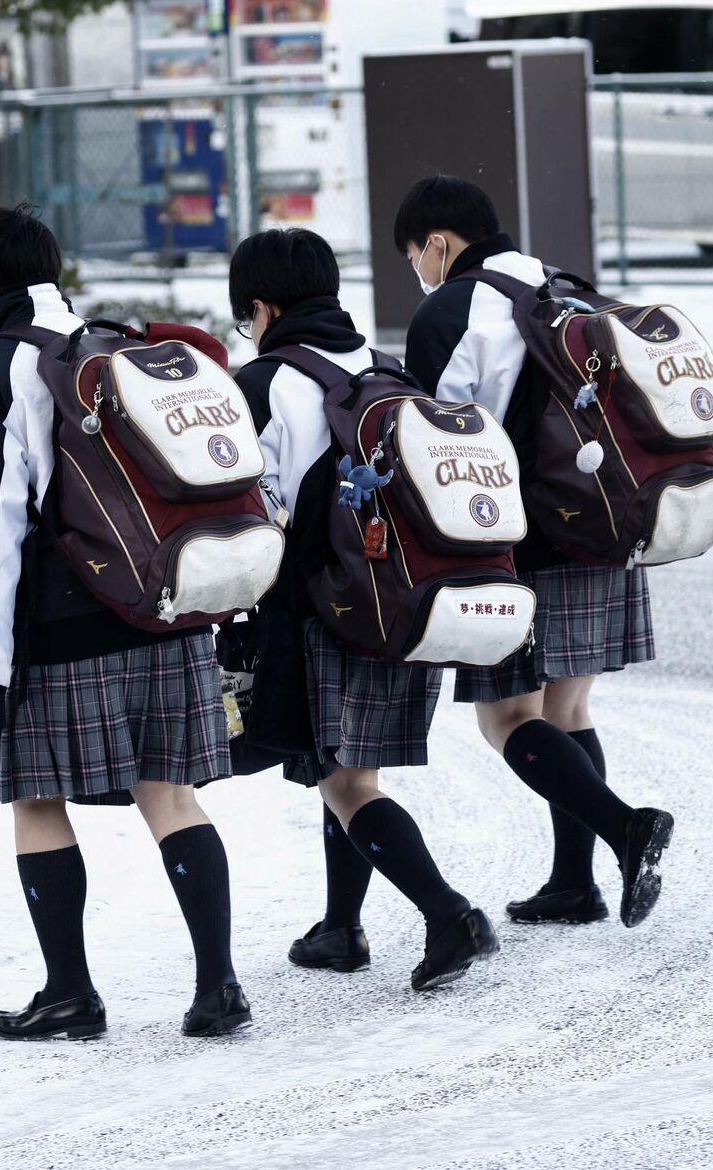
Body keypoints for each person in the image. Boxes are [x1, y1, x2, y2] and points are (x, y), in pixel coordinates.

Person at [0, 206, 248, 1040]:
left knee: (35, 798)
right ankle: (219, 984)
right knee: (171, 794)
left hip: (65, 628)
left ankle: (70, 991)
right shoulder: (114, 348)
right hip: (167, 604)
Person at [398, 175, 675, 931]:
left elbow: (435, 436)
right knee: (570, 705)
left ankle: (625, 829)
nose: (417, 274)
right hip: (608, 520)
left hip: (525, 539)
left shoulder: (452, 310)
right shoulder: (567, 290)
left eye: (414, 258)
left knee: (507, 716)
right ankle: (571, 882)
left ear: (438, 244)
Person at [230, 227, 501, 990]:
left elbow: (258, 510)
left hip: (328, 611)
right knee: (349, 771)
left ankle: (449, 913)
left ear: (260, 306)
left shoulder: (264, 383)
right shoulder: (386, 368)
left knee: (347, 783)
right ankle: (341, 928)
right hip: (406, 600)